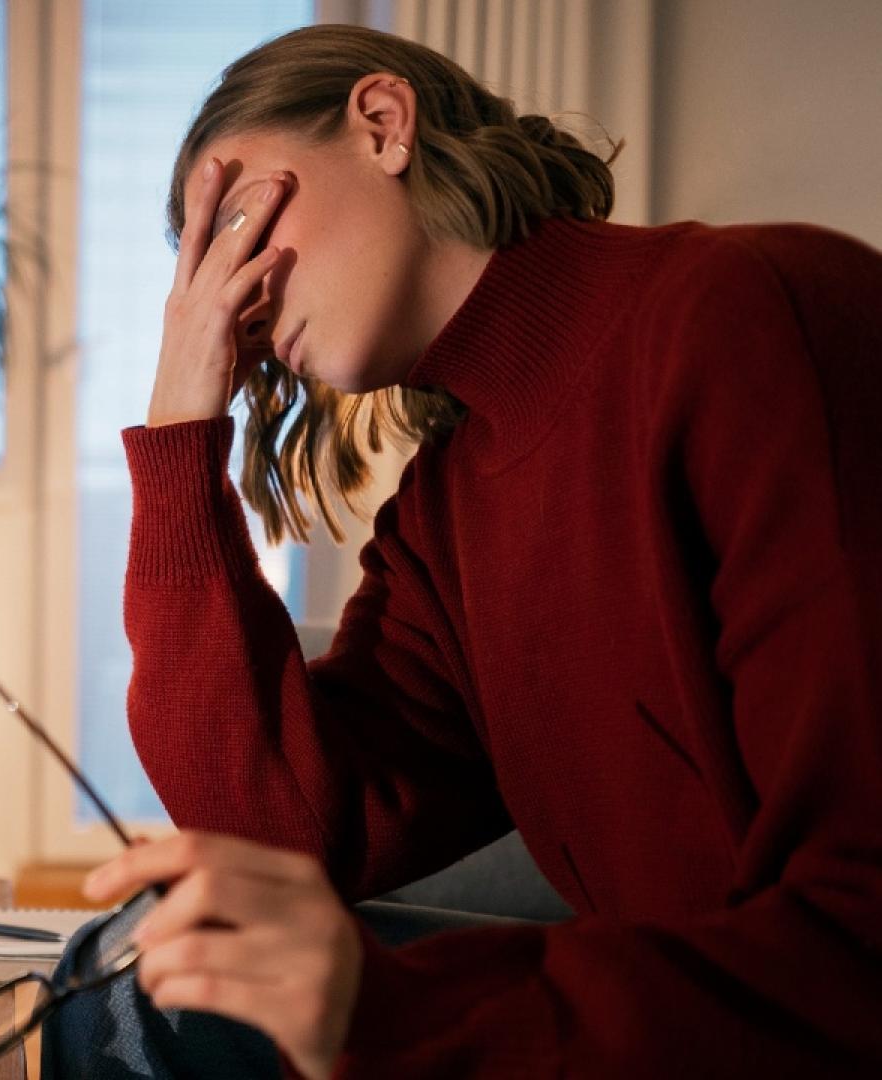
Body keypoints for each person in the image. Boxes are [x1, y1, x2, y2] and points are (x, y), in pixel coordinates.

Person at [46, 22, 882, 1079]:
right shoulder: (444, 517)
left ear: (384, 125)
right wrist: (178, 434)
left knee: (145, 1025)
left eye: (243, 219)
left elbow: (860, 932)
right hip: (677, 1022)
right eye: (207, 266)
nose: (237, 292)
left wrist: (402, 1015)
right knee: (132, 975)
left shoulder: (750, 312)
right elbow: (274, 834)